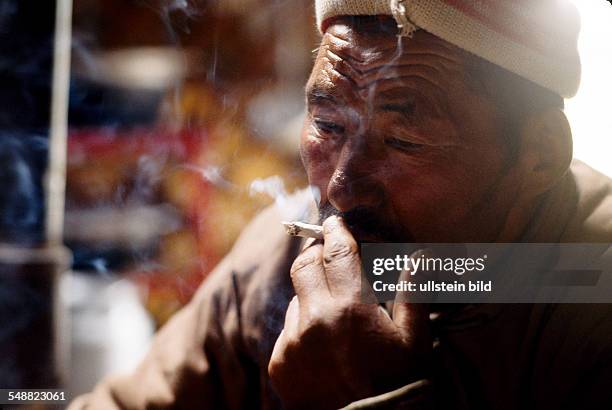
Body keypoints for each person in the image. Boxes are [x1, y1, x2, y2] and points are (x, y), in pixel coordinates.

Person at [70, 1, 612, 409]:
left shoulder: (591, 291)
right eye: (327, 125)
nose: (340, 189)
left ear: (540, 155)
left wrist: (366, 399)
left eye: (404, 141)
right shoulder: (284, 255)